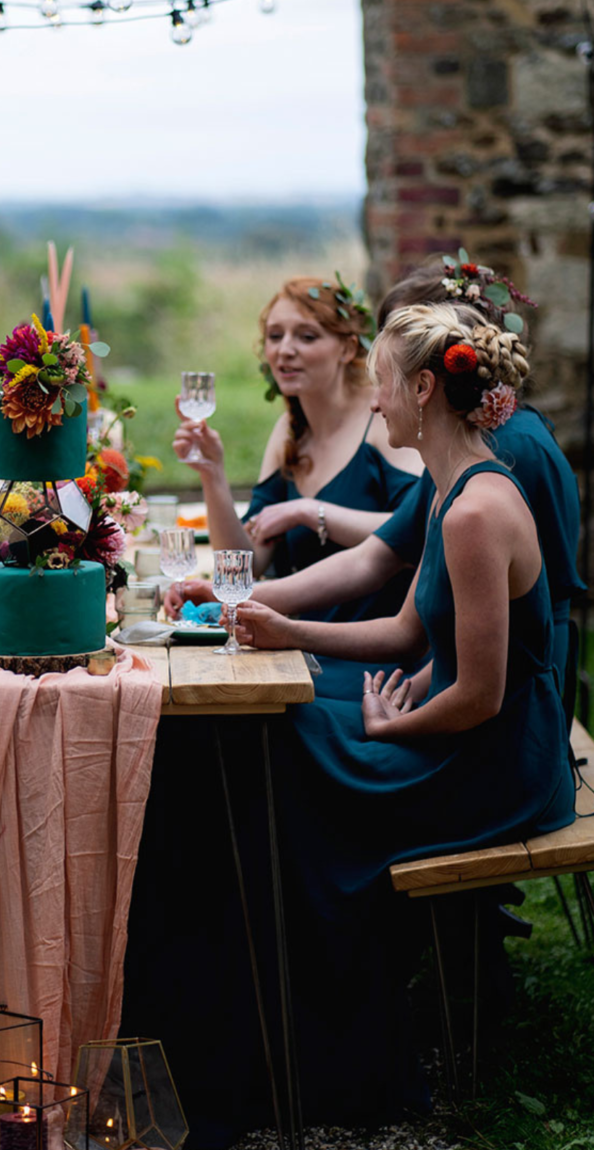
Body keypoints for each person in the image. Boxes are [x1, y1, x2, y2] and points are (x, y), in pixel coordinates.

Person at [228, 301, 576, 1125]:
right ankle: (289, 1024)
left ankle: (331, 1048)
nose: (375, 403)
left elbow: (481, 695)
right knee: (285, 727)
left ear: (423, 389)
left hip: (497, 764)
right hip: (466, 731)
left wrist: (390, 728)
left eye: (382, 383)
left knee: (286, 762)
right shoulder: (451, 485)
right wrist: (286, 629)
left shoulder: (476, 510)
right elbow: (409, 629)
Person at [172, 274, 423, 698]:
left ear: (347, 348)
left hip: (371, 660)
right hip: (288, 643)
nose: (285, 350)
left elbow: (416, 531)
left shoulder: (383, 419)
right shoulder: (290, 428)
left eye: (306, 336)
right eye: (275, 335)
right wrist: (212, 475)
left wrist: (312, 512)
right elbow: (248, 564)